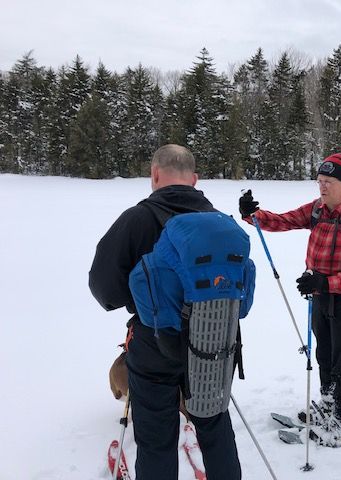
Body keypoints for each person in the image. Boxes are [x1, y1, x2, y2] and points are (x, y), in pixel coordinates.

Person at [89, 144, 241, 480]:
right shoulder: (220, 222)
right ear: (195, 179)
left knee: (156, 438)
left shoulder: (136, 220)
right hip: (216, 340)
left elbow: (104, 289)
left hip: (154, 343)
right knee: (214, 426)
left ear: (155, 174)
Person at [238, 153, 341, 442]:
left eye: (328, 182)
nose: (322, 187)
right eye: (319, 181)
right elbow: (284, 220)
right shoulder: (317, 210)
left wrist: (326, 282)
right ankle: (328, 404)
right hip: (319, 296)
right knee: (323, 354)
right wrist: (253, 215)